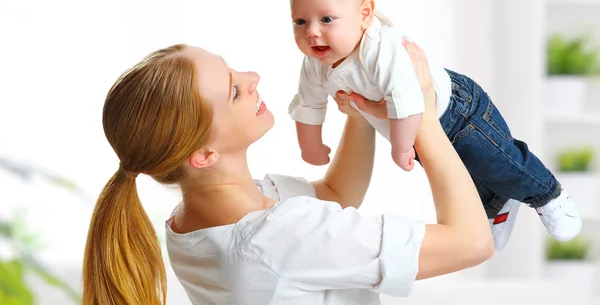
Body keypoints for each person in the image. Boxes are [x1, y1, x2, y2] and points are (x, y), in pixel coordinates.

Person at [82, 41, 493, 305]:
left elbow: (335, 194)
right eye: (234, 90)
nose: (252, 78)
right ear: (203, 155)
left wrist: (358, 108)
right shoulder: (280, 235)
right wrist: (421, 116)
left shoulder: (195, 224)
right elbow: (473, 243)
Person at [288, 0, 581, 250]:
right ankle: (497, 206)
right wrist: (311, 147)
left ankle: (548, 194)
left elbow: (408, 101)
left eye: (326, 19)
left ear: (364, 14)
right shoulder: (314, 64)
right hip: (415, 130)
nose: (312, 32)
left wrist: (401, 148)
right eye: (300, 22)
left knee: (495, 159)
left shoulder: (381, 49)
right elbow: (308, 104)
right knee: (462, 177)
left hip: (454, 110)